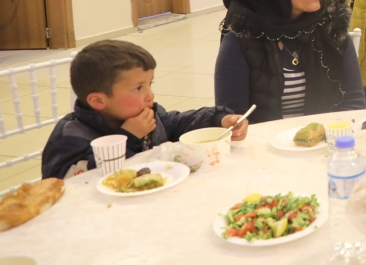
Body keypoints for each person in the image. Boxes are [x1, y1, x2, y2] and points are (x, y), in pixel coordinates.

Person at [41, 40, 248, 179]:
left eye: (150, 84)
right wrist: (128, 137)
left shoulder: (145, 114)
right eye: (138, 88)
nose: (150, 95)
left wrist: (219, 119)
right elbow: (73, 185)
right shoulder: (70, 137)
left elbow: (177, 123)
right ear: (98, 101)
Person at [214, 0, 365, 123]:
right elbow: (232, 121)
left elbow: (354, 102)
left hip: (326, 136)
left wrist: (319, 136)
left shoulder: (331, 27)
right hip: (263, 139)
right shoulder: (241, 38)